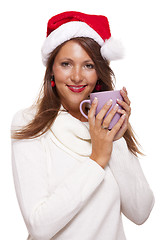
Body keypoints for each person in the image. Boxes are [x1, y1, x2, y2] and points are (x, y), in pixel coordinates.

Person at [11, 11, 154, 240]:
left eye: (88, 65)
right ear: (51, 70)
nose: (77, 77)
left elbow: (140, 212)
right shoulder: (29, 123)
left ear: (99, 72)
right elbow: (39, 226)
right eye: (66, 64)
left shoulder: (106, 124)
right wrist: (97, 159)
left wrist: (114, 138)